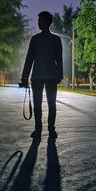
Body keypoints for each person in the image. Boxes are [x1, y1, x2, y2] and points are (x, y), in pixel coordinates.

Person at [21, 11, 63, 139]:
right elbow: (29, 59)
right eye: (38, 20)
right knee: (37, 104)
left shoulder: (56, 39)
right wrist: (24, 76)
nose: (38, 22)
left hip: (51, 77)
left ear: (48, 22)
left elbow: (59, 59)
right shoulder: (34, 39)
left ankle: (51, 129)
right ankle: (38, 129)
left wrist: (59, 75)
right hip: (37, 77)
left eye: (40, 20)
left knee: (52, 104)